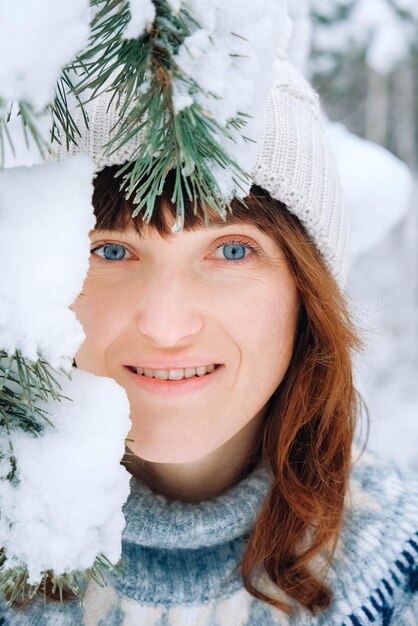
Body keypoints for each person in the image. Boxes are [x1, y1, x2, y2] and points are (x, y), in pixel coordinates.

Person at [2, 54, 418, 626]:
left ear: (306, 291)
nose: (166, 325)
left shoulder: (403, 576)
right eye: (112, 251)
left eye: (230, 250)